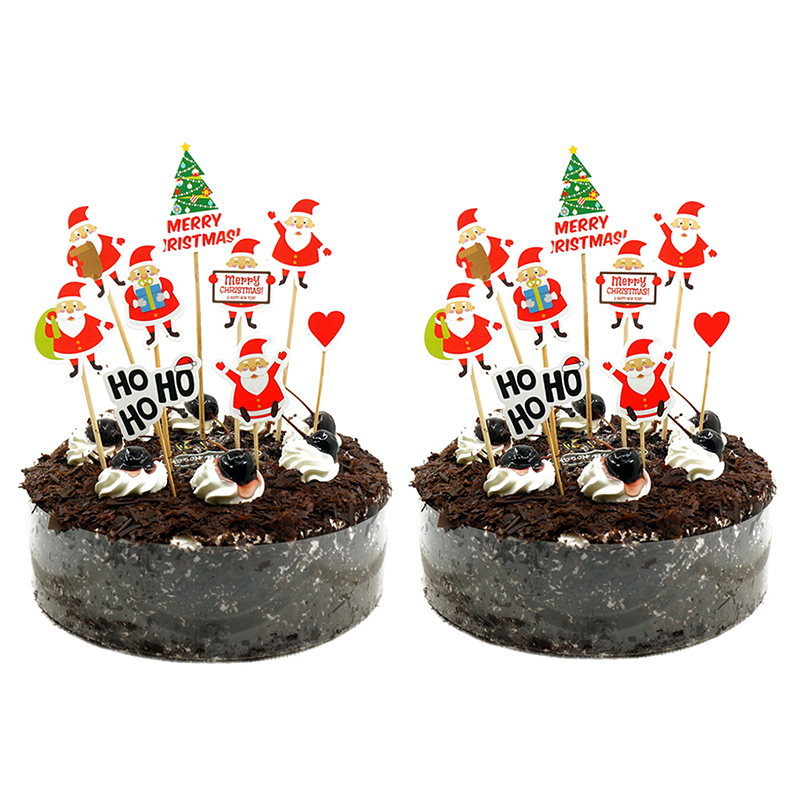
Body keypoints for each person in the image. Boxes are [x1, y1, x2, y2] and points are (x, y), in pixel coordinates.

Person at [45, 281, 114, 379]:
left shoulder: (83, 318)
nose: (70, 310)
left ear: (83, 307)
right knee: (72, 355)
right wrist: (49, 321)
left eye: (74, 306)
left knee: (90, 350)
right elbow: (49, 334)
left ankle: (93, 364)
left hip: (87, 340)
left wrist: (104, 324)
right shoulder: (58, 322)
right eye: (64, 307)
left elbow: (94, 321)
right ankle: (75, 369)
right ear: (56, 310)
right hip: (68, 344)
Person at [435, 282, 502, 378]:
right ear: (446, 311)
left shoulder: (472, 318)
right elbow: (438, 334)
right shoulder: (447, 323)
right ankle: (465, 369)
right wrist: (439, 322)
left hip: (476, 340)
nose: (459, 311)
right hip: (457, 345)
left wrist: (492, 324)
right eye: (453, 308)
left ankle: (482, 364)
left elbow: (482, 321)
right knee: (461, 355)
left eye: (463, 307)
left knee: (479, 350)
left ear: (472, 308)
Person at [215, 338, 289, 424]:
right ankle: (244, 412)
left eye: (258, 364)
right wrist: (224, 369)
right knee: (242, 404)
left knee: (274, 398)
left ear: (265, 364)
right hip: (248, 407)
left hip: (271, 403)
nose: (252, 368)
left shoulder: (267, 375)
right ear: (239, 368)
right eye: (246, 366)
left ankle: (274, 406)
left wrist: (279, 359)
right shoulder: (241, 380)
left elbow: (274, 368)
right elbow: (232, 376)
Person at [123, 246, 183, 348]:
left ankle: (170, 331)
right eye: (138, 274)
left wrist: (164, 295)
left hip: (164, 308)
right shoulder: (133, 289)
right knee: (149, 323)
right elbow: (128, 297)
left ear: (157, 270)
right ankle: (152, 336)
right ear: (130, 278)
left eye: (147, 271)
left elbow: (169, 286)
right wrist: (136, 303)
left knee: (166, 318)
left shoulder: (161, 282)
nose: (144, 276)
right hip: (144, 312)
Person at [602, 339, 674, 423]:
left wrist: (665, 360)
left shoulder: (654, 375)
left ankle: (660, 406)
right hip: (634, 407)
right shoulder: (628, 379)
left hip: (657, 403)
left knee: (660, 397)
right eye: (633, 366)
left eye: (644, 364)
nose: (639, 369)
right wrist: (611, 369)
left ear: (652, 364)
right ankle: (631, 411)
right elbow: (619, 376)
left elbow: (660, 368)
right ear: (626, 368)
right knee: (628, 403)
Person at [268, 199, 331, 288]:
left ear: (311, 225)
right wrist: (274, 219)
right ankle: (284, 278)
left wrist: (324, 249)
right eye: (295, 222)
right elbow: (279, 227)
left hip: (304, 256)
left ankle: (300, 281)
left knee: (302, 267)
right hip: (287, 254)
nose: (299, 226)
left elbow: (316, 242)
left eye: (304, 222)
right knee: (285, 265)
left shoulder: (308, 236)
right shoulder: (286, 234)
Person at [654, 201, 716, 289]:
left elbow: (702, 243)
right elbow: (665, 229)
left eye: (690, 224)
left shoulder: (694, 238)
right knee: (671, 267)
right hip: (673, 255)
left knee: (688, 269)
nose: (685, 227)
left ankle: (686, 282)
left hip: (690, 257)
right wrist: (660, 221)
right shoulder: (673, 235)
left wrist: (709, 250)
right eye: (680, 223)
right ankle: (670, 279)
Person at [66, 206, 126, 297]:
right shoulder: (76, 247)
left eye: (86, 230)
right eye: (78, 234)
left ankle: (116, 280)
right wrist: (74, 262)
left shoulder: (97, 238)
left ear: (94, 228)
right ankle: (102, 289)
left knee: (110, 269)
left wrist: (116, 240)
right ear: (71, 239)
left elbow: (107, 239)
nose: (84, 235)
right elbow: (70, 257)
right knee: (96, 276)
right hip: (90, 265)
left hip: (105, 258)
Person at [455, 208, 514, 298]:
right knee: (485, 277)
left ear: (482, 230)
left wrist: (504, 242)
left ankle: (505, 282)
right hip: (479, 266)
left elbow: (495, 240)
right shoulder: (465, 249)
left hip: (493, 260)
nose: (473, 237)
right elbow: (459, 258)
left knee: (499, 270)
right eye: (467, 236)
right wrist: (462, 263)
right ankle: (490, 290)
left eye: (475, 232)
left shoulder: (486, 240)